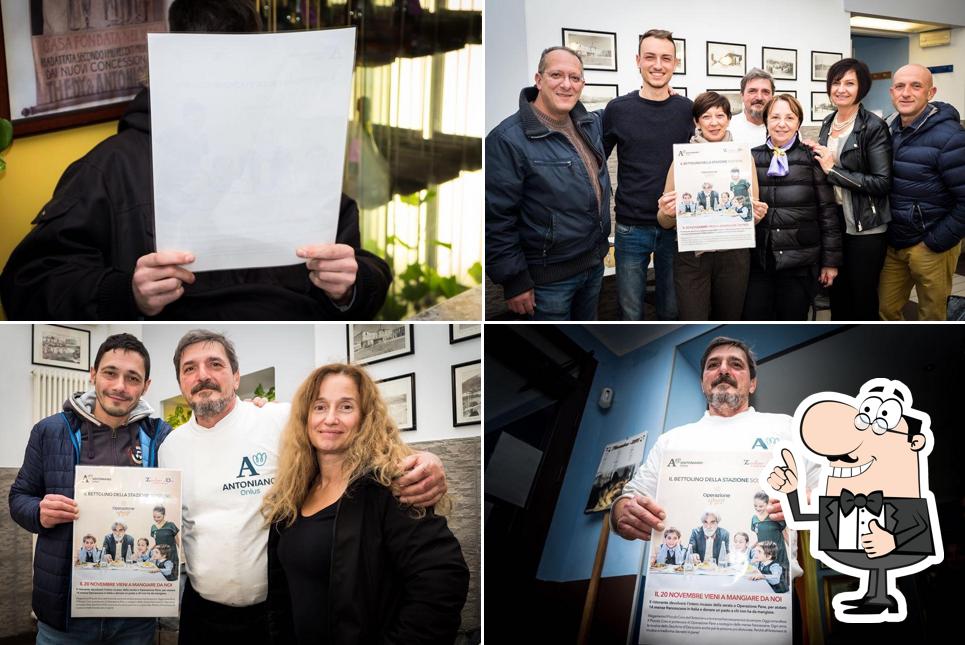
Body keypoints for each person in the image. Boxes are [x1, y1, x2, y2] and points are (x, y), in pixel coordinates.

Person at [0, 0, 392, 320]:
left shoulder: (291, 152)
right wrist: (126, 294)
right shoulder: (113, 168)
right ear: (172, 73)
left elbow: (363, 267)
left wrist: (350, 286)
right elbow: (28, 284)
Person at [158, 329, 449, 642]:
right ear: (180, 383)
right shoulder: (170, 448)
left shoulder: (279, 420)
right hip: (202, 614)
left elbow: (360, 444)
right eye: (190, 368)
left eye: (215, 364)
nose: (203, 375)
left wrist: (427, 459)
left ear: (236, 376)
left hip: (274, 614)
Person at [262, 363, 469, 644]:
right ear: (305, 417)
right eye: (320, 407)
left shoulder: (390, 487)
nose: (330, 418)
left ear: (365, 417)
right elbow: (280, 592)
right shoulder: (291, 494)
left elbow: (442, 580)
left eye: (346, 407)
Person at [9, 333, 170, 643]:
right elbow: (19, 498)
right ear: (93, 374)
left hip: (134, 618)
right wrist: (39, 512)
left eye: (132, 378)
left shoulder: (162, 436)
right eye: (110, 373)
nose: (120, 386)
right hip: (64, 616)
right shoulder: (50, 430)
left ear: (146, 385)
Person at [611, 336, 820, 574]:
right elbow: (627, 500)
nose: (723, 369)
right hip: (679, 593)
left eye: (736, 364)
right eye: (713, 365)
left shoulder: (787, 429)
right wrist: (623, 513)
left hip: (771, 592)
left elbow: (836, 494)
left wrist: (810, 502)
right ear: (702, 383)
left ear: (752, 383)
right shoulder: (671, 440)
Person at [768, 379, 939, 617]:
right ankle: (875, 596)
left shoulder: (904, 500)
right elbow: (799, 516)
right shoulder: (840, 500)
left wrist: (893, 540)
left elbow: (921, 530)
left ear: (914, 443)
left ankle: (879, 596)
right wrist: (791, 491)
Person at [486, 45, 610, 320]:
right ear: (539, 80)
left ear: (582, 84)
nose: (567, 84)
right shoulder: (506, 140)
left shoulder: (587, 124)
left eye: (575, 78)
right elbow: (495, 219)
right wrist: (514, 281)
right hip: (547, 281)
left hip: (593, 265)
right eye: (557, 75)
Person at [603, 29, 694, 321]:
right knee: (630, 312)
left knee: (672, 310)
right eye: (650, 57)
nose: (658, 65)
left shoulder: (687, 110)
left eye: (666, 58)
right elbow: (596, 162)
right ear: (637, 61)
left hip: (676, 225)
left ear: (676, 63)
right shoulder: (617, 109)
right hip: (630, 228)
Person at [656, 91, 767, 320]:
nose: (714, 122)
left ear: (728, 119)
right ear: (697, 121)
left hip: (734, 256)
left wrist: (757, 215)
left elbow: (751, 216)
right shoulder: (684, 159)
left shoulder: (743, 157)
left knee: (729, 318)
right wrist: (667, 212)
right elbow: (664, 221)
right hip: (691, 256)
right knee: (692, 319)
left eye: (720, 115)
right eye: (706, 116)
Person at [803, 58, 892, 321]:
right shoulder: (829, 122)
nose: (841, 89)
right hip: (835, 221)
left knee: (861, 298)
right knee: (838, 294)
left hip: (866, 227)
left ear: (861, 88)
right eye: (836, 82)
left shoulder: (873, 127)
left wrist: (833, 171)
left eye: (849, 83)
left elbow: (882, 183)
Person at [878, 64, 965, 320]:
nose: (906, 93)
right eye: (900, 86)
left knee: (932, 316)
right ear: (892, 92)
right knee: (885, 309)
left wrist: (934, 242)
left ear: (930, 92)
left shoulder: (952, 137)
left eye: (916, 86)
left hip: (931, 245)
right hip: (894, 242)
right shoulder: (887, 130)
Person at [744, 94, 842, 320]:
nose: (781, 123)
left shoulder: (812, 158)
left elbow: (828, 213)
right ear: (766, 121)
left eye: (789, 117)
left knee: (792, 318)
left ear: (798, 122)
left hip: (801, 262)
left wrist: (830, 262)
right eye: (775, 117)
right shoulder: (751, 157)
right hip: (760, 260)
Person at [728, 68, 774, 146]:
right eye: (752, 91)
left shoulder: (784, 129)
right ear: (742, 95)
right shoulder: (728, 128)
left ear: (772, 97)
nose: (759, 97)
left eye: (765, 92)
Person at [751, 490, 789, 576]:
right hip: (764, 556)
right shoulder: (754, 519)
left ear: (767, 504)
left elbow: (785, 532)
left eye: (761, 506)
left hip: (779, 555)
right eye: (755, 506)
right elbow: (759, 537)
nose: (757, 508)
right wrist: (750, 549)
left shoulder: (775, 517)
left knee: (781, 581)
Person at [150, 504, 180, 570]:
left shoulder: (171, 525)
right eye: (154, 517)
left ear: (164, 515)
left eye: (159, 517)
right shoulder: (153, 528)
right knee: (160, 574)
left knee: (171, 575)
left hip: (171, 555)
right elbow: (157, 542)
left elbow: (178, 541)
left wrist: (183, 555)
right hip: (160, 556)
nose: (156, 519)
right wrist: (149, 551)